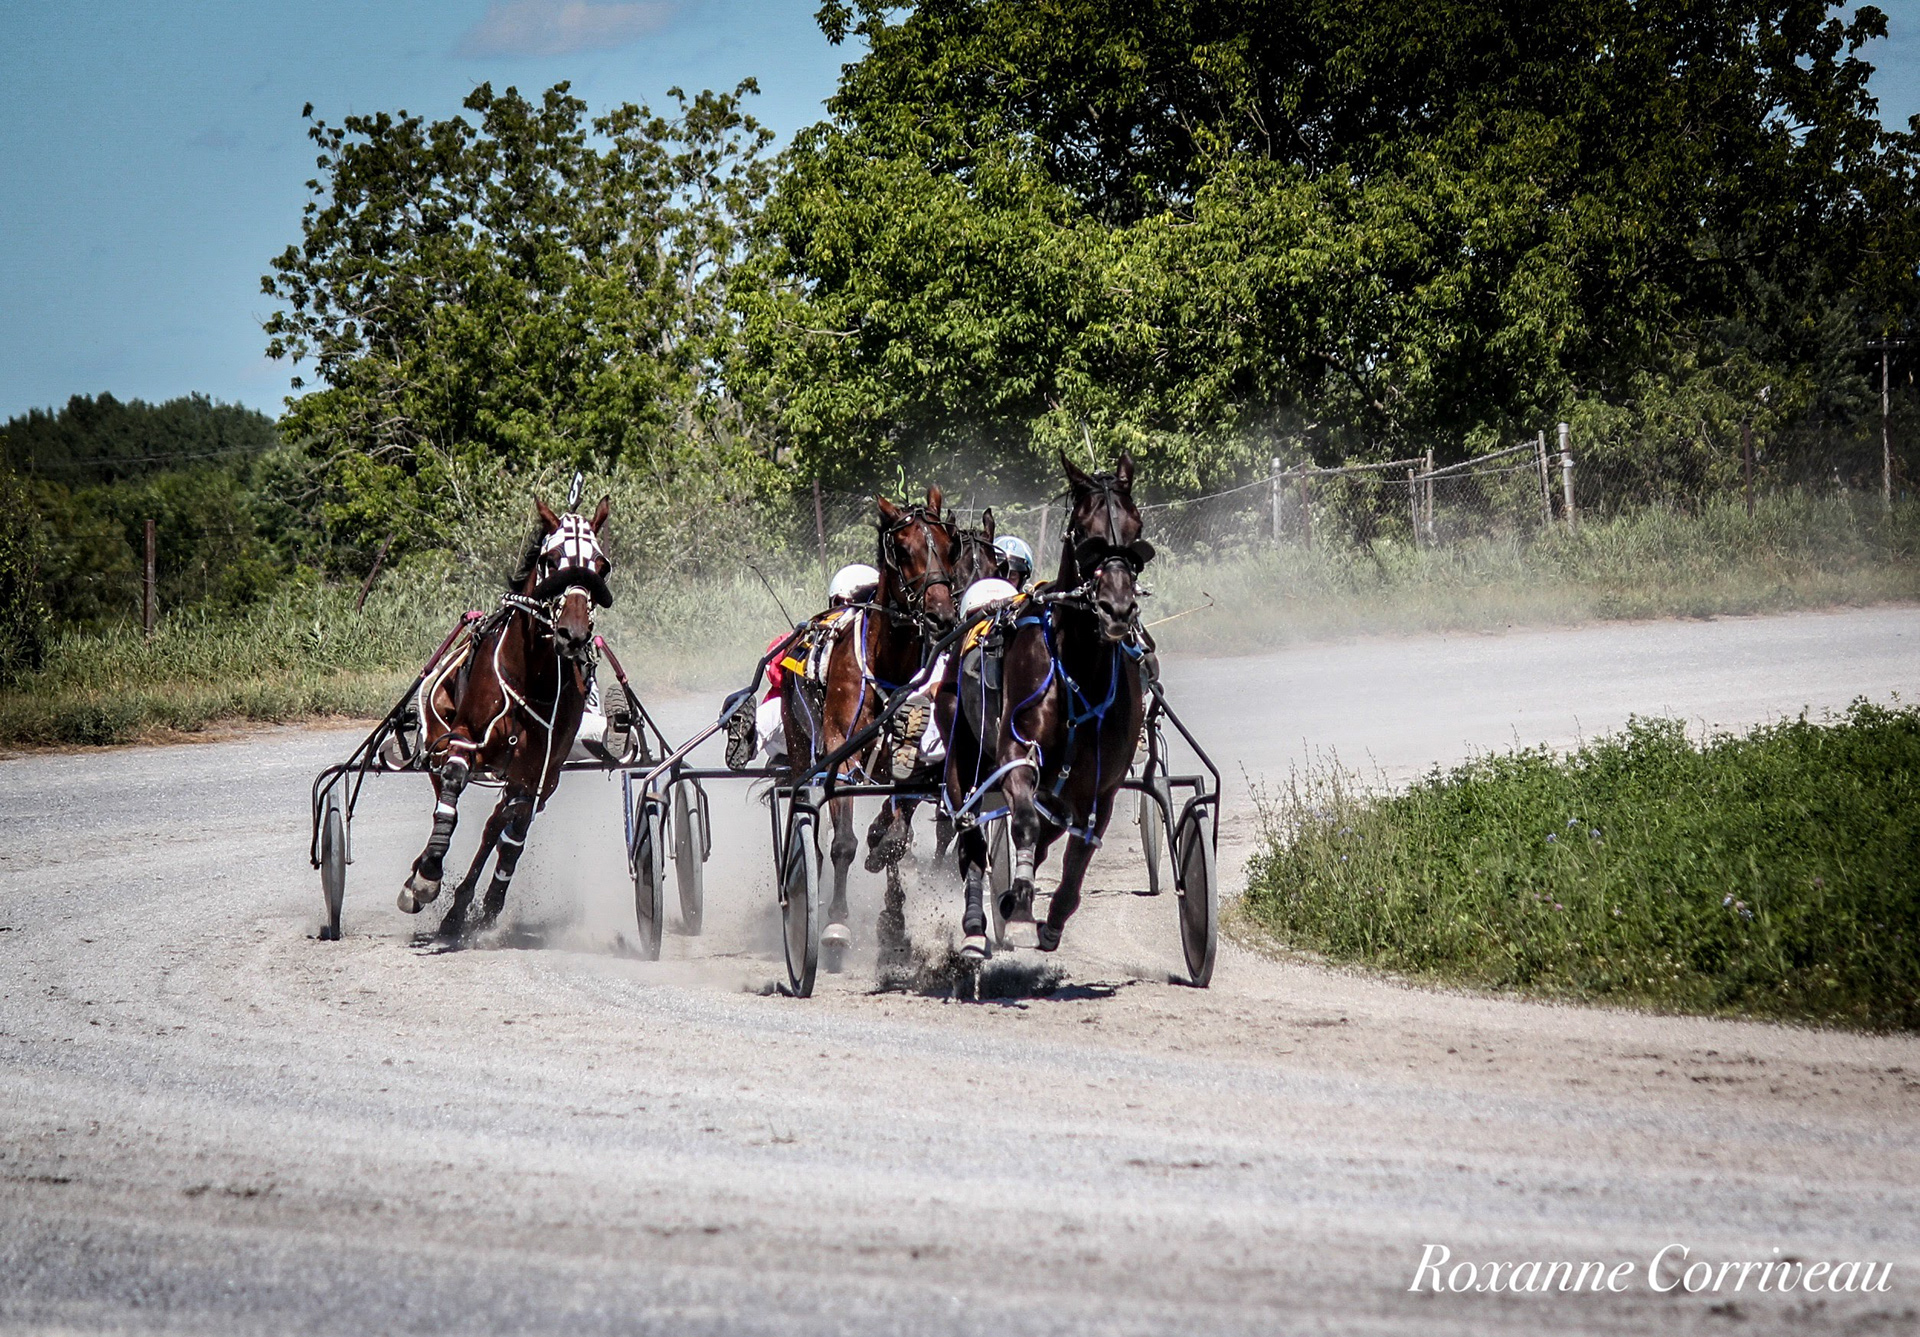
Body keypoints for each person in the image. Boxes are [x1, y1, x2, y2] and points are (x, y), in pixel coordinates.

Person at [726, 564, 879, 769]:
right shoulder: (815, 635)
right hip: (798, 730)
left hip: (850, 735)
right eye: (843, 605)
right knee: (774, 711)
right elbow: (774, 671)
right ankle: (746, 740)